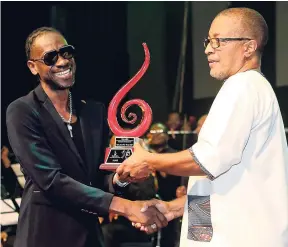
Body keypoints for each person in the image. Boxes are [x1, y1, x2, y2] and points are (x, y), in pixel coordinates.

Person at [116, 7, 288, 247]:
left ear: (248, 47)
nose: (208, 49)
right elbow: (213, 179)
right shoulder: (246, 89)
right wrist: (173, 208)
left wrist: (148, 159)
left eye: (218, 41)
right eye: (208, 41)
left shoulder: (243, 87)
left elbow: (205, 162)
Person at [6, 27, 167, 247]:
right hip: (43, 236)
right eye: (51, 57)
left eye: (66, 52)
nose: (62, 62)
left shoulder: (93, 111)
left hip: (89, 237)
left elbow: (97, 178)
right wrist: (127, 207)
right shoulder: (22, 111)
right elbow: (51, 181)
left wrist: (121, 178)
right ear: (33, 67)